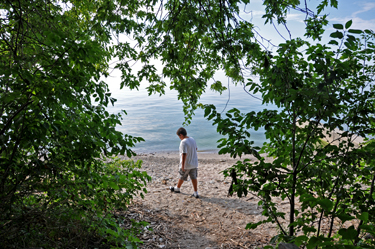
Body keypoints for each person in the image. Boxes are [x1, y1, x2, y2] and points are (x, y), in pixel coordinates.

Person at [169, 127, 199, 198]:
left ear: (181, 135)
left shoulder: (183, 142)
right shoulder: (192, 139)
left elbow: (184, 154)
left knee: (181, 176)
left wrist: (182, 165)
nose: (179, 138)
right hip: (194, 163)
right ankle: (195, 192)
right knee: (194, 177)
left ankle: (177, 188)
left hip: (187, 164)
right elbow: (196, 149)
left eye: (179, 136)